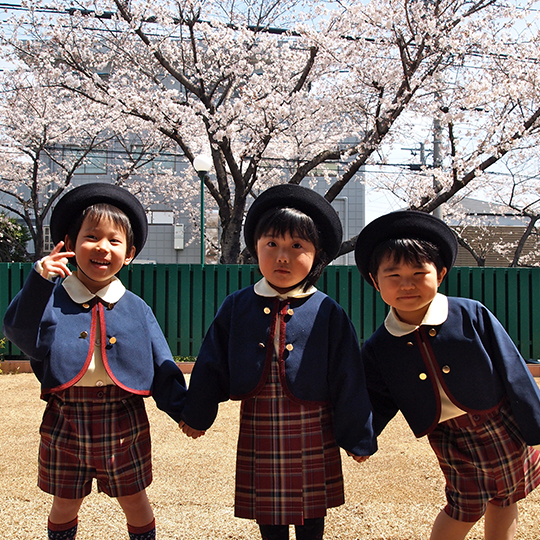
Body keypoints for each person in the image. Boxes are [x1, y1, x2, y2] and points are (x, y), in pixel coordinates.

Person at [180, 184, 376, 540]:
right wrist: (197, 414)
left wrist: (358, 436)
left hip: (314, 425)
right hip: (261, 420)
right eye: (272, 244)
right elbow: (211, 362)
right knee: (267, 512)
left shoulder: (328, 312)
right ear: (255, 248)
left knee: (311, 513)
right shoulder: (237, 305)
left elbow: (349, 376)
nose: (282, 257)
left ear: (317, 256)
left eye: (297, 246)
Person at [3, 183, 187, 540]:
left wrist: (185, 412)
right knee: (65, 501)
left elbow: (162, 362)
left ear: (129, 253)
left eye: (114, 241)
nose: (102, 247)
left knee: (134, 499)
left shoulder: (136, 307)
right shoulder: (51, 299)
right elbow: (20, 332)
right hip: (66, 415)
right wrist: (39, 282)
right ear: (70, 245)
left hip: (124, 414)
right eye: (91, 237)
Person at [354, 209, 540, 540]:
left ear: (439, 275)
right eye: (393, 276)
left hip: (500, 421)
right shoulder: (379, 346)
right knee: (463, 505)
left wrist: (535, 418)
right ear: (374, 280)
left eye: (418, 272)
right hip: (447, 435)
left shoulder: (470, 314)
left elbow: (511, 366)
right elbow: (377, 400)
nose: (406, 284)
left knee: (506, 496)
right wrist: (363, 439)